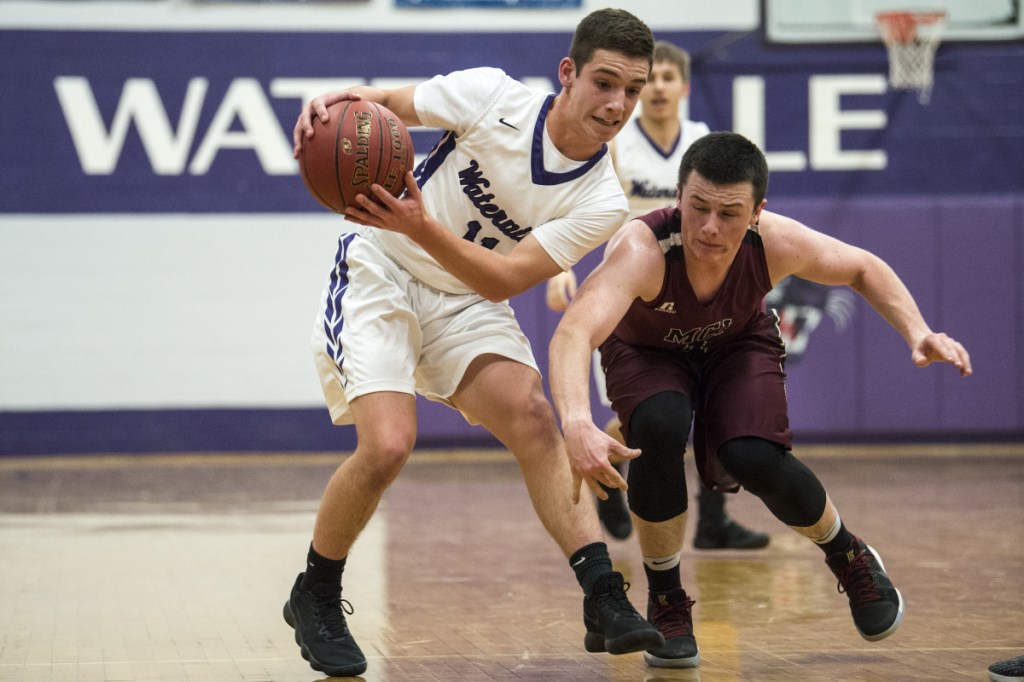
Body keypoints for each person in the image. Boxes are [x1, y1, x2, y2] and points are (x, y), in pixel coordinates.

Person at [283, 9, 664, 678]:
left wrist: (424, 225)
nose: (618, 103)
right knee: (388, 445)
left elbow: (505, 279)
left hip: (466, 292)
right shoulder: (492, 95)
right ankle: (315, 590)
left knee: (535, 419)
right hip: (383, 265)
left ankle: (603, 596)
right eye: (605, 82)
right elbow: (383, 103)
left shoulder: (602, 200)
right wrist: (330, 102)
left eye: (632, 89)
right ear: (568, 73)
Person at [548, 131, 972, 668]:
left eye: (729, 213)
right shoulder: (643, 249)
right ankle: (667, 598)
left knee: (751, 453)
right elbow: (572, 332)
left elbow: (863, 267)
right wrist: (577, 420)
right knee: (658, 425)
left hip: (735, 342)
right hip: (646, 350)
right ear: (679, 196)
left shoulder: (774, 240)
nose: (709, 226)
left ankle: (849, 555)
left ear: (756, 212)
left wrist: (918, 331)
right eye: (697, 207)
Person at [546, 41, 769, 550]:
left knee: (711, 402)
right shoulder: (617, 143)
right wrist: (560, 268)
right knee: (646, 416)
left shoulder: (704, 146)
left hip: (699, 283)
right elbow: (574, 205)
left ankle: (712, 519)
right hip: (634, 292)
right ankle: (607, 477)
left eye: (671, 78)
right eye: (654, 79)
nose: (661, 88)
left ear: (684, 88)